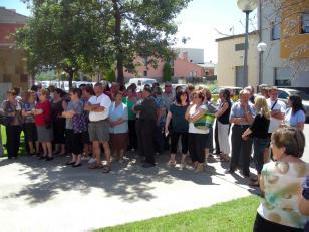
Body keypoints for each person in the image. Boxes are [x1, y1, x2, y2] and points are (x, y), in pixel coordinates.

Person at [253, 127, 308, 231]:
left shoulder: (267, 167)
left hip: (265, 221)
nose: (270, 146)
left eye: (272, 143)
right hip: (297, 225)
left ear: (283, 149)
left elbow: (263, 189)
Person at [242, 96, 270, 186]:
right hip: (266, 139)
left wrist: (244, 134)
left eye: (255, 102)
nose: (254, 104)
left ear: (258, 103)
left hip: (259, 140)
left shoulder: (260, 115)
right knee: (262, 160)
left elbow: (252, 128)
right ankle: (260, 178)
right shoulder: (267, 114)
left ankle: (260, 181)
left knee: (258, 160)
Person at [84, 82, 112, 173]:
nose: (96, 90)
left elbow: (101, 109)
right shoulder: (92, 97)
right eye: (95, 88)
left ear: (102, 89)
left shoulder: (105, 98)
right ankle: (98, 162)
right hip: (92, 123)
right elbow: (85, 107)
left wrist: (91, 107)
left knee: (105, 144)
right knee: (95, 144)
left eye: (98, 88)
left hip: (101, 123)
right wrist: (96, 105)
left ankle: (108, 164)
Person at [228, 90, 255, 177]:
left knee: (247, 151)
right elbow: (231, 120)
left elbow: (251, 122)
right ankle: (232, 168)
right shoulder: (235, 105)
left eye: (248, 96)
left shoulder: (252, 106)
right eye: (244, 96)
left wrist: (246, 109)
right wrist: (244, 119)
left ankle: (246, 170)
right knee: (235, 149)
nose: (246, 98)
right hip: (237, 129)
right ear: (240, 96)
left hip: (247, 130)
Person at [133, 86, 158, 168]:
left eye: (143, 92)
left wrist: (136, 106)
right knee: (146, 142)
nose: (142, 93)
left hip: (148, 124)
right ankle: (148, 159)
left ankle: (150, 161)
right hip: (145, 123)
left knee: (147, 143)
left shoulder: (148, 100)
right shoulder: (148, 100)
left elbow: (137, 107)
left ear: (147, 92)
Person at [185, 90, 209, 173]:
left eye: (195, 97)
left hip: (201, 132)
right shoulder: (192, 107)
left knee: (199, 149)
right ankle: (196, 163)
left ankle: (201, 165)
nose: (193, 98)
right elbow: (186, 118)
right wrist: (189, 107)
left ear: (200, 98)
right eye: (193, 97)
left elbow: (193, 119)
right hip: (191, 130)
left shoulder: (203, 107)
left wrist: (191, 118)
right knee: (191, 148)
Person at [165, 89, 189, 168]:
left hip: (186, 129)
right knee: (173, 144)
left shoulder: (189, 105)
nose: (185, 97)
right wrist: (166, 127)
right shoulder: (173, 105)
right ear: (179, 96)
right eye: (183, 95)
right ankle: (172, 160)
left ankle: (183, 161)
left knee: (185, 144)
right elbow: (169, 117)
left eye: (186, 95)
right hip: (175, 128)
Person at [62, 88, 86, 167]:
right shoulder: (70, 102)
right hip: (68, 125)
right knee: (71, 143)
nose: (69, 95)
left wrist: (69, 113)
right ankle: (73, 158)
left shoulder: (80, 102)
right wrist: (67, 113)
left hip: (76, 127)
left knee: (77, 143)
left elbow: (76, 113)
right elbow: (65, 114)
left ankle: (78, 160)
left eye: (71, 94)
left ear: (76, 94)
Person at [266, 86, 285, 162]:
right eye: (273, 93)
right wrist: (276, 111)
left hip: (277, 131)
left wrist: (270, 113)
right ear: (269, 93)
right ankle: (267, 165)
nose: (274, 95)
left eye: (276, 94)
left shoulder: (282, 103)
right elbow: (263, 115)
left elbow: (281, 116)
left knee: (276, 149)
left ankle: (276, 165)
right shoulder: (265, 101)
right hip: (266, 129)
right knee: (266, 149)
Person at [33, 88, 53, 160]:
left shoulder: (46, 102)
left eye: (40, 94)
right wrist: (35, 111)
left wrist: (36, 111)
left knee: (47, 140)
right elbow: (35, 112)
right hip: (38, 123)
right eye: (38, 94)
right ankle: (45, 153)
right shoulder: (38, 103)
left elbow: (39, 111)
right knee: (42, 140)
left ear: (45, 95)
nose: (39, 96)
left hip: (45, 123)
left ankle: (50, 154)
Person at [2, 89, 23, 159]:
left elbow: (21, 113)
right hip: (10, 123)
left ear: (14, 95)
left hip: (18, 124)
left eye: (10, 95)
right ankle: (10, 155)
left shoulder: (18, 102)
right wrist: (9, 113)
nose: (8, 96)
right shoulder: (5, 102)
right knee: (10, 139)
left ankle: (15, 154)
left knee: (17, 139)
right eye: (7, 94)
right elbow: (1, 112)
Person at [109, 91, 128, 163]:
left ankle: (121, 157)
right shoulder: (110, 105)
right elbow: (107, 115)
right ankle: (115, 156)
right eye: (118, 96)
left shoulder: (124, 106)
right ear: (114, 97)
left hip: (121, 129)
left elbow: (124, 118)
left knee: (121, 144)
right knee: (113, 143)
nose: (120, 97)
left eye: (121, 96)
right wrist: (110, 122)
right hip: (111, 128)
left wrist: (114, 123)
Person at [215, 88, 232, 162]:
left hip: (225, 123)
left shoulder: (227, 102)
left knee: (224, 138)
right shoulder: (223, 101)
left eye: (221, 93)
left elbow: (220, 112)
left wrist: (214, 114)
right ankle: (222, 154)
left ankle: (226, 155)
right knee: (220, 138)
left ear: (225, 94)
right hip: (220, 122)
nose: (220, 94)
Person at [22, 90, 39, 156]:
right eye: (32, 95)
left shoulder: (36, 103)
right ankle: (31, 150)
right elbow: (23, 114)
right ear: (29, 95)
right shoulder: (25, 104)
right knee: (29, 137)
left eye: (34, 95)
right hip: (28, 123)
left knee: (36, 137)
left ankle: (37, 151)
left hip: (36, 122)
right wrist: (31, 112)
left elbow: (38, 113)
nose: (34, 96)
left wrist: (30, 112)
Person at [51, 88, 66, 155]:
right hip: (53, 121)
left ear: (59, 93)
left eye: (55, 93)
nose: (53, 94)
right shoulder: (52, 101)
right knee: (55, 135)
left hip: (61, 121)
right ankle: (57, 149)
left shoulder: (63, 101)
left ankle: (63, 150)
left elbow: (66, 111)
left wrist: (62, 116)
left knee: (61, 135)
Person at [126, 86, 138, 152]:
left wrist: (133, 110)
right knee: (127, 133)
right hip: (125, 119)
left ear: (132, 93)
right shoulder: (125, 99)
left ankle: (134, 146)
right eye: (128, 91)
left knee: (133, 133)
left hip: (132, 119)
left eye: (130, 92)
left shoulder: (135, 99)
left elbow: (136, 110)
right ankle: (129, 145)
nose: (129, 93)